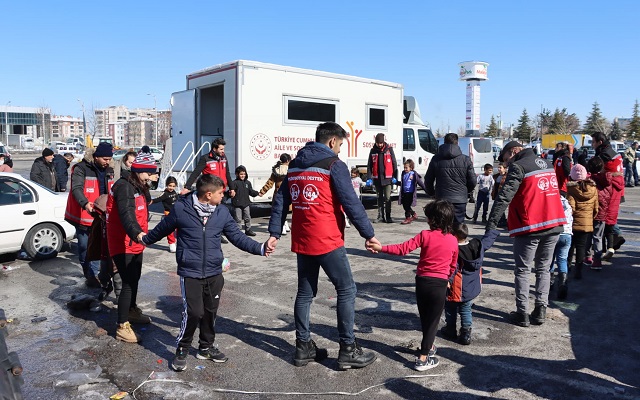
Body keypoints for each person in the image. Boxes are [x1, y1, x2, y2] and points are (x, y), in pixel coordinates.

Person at [267, 122, 379, 370]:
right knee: (347, 289)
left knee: (305, 293)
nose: (339, 149)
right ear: (331, 142)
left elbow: (281, 199)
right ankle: (348, 348)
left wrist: (275, 231)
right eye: (340, 144)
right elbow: (350, 201)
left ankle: (303, 347)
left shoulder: (295, 164)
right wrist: (368, 234)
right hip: (327, 239)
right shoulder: (333, 165)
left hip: (303, 239)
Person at [142, 174, 272, 371]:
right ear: (209, 194)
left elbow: (237, 237)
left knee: (210, 312)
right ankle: (182, 348)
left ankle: (206, 347)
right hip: (190, 272)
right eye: (221, 193)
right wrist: (142, 239)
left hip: (214, 272)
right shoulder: (181, 209)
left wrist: (261, 248)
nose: (224, 196)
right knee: (194, 312)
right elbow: (160, 230)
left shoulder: (221, 212)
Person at [367, 200, 458, 370]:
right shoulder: (453, 240)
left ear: (432, 220)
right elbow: (453, 265)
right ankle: (423, 359)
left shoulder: (425, 235)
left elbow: (402, 249)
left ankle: (429, 347)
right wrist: (449, 279)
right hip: (439, 284)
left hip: (422, 282)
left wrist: (381, 248)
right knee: (433, 322)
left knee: (425, 317)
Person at [486, 141, 566, 327]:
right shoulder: (546, 164)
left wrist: (492, 223)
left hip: (529, 226)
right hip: (554, 223)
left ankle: (522, 313)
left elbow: (505, 195)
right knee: (543, 269)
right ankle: (540, 310)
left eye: (506, 159)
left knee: (522, 269)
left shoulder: (519, 166)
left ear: (514, 151)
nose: (506, 164)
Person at [106, 149, 157, 343]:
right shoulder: (124, 187)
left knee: (134, 279)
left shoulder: (139, 185)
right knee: (127, 282)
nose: (152, 176)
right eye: (149, 172)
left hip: (136, 242)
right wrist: (137, 234)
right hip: (124, 242)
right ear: (139, 170)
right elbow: (126, 214)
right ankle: (122, 326)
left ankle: (132, 311)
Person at [65, 143, 115, 287]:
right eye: (105, 159)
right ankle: (88, 273)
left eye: (109, 159)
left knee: (99, 246)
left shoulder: (109, 170)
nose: (108, 162)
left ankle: (94, 276)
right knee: (84, 247)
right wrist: (85, 204)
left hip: (102, 216)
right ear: (96, 157)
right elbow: (76, 189)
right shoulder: (81, 169)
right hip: (84, 215)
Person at [441, 223, 499, 345]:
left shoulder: (455, 251)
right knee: (466, 309)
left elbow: (454, 268)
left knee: (450, 308)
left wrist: (448, 281)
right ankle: (466, 334)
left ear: (454, 236)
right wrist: (492, 231)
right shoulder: (476, 246)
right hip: (471, 287)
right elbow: (487, 242)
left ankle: (450, 329)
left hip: (456, 288)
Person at [182, 138, 234, 243]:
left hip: (221, 192)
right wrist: (187, 187)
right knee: (211, 215)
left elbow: (227, 173)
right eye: (221, 149)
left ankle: (219, 233)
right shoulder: (205, 158)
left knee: (220, 214)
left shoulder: (224, 158)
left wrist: (232, 187)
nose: (223, 151)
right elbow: (196, 173)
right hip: (210, 193)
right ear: (214, 149)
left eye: (223, 149)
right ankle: (214, 235)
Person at [425, 133, 476, 224]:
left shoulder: (436, 159)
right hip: (459, 200)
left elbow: (428, 180)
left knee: (442, 227)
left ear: (444, 143)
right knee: (458, 228)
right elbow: (472, 181)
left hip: (441, 199)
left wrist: (432, 193)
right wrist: (465, 191)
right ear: (457, 143)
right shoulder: (466, 159)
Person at [589, 132, 624, 266]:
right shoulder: (612, 151)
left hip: (610, 187)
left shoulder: (604, 154)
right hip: (617, 186)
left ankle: (615, 238)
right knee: (609, 217)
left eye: (593, 142)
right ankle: (611, 243)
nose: (592, 145)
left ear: (600, 142)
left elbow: (595, 168)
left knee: (604, 218)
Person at [566, 164, 598, 283]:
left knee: (570, 247)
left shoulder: (571, 190)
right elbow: (596, 208)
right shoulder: (593, 189)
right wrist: (589, 219)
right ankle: (578, 270)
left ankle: (567, 267)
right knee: (581, 248)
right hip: (587, 224)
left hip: (573, 224)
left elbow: (571, 208)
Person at [366, 133, 398, 223]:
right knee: (379, 197)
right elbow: (369, 165)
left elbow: (394, 163)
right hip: (377, 179)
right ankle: (380, 216)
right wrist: (369, 178)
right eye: (378, 143)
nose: (379, 145)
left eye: (381, 143)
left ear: (383, 142)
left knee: (387, 198)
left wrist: (395, 177)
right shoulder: (373, 151)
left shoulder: (389, 150)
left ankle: (388, 216)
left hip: (388, 179)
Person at [258, 153, 292, 235]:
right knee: (286, 210)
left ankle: (284, 225)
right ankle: (283, 226)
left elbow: (270, 182)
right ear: (288, 160)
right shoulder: (290, 169)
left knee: (279, 211)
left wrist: (262, 191)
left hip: (278, 193)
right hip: (289, 193)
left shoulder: (276, 170)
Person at [149, 176, 180, 252]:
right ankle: (172, 244)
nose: (171, 188)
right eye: (170, 186)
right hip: (168, 214)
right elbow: (158, 199)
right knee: (170, 230)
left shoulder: (175, 193)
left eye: (173, 186)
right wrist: (150, 201)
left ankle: (179, 243)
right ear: (166, 185)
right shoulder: (165, 194)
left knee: (179, 228)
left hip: (177, 213)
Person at [229, 165, 259, 236]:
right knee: (238, 219)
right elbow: (231, 192)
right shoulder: (234, 183)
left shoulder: (247, 183)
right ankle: (238, 231)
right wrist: (229, 194)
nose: (243, 176)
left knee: (247, 217)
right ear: (237, 174)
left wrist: (257, 193)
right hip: (237, 204)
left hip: (246, 204)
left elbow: (251, 191)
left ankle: (248, 230)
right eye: (241, 174)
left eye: (244, 174)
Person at [398, 159, 427, 225]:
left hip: (410, 193)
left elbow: (420, 182)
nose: (405, 169)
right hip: (404, 192)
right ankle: (413, 214)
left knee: (407, 205)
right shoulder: (403, 173)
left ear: (411, 168)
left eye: (406, 167)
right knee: (405, 205)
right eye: (404, 167)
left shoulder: (413, 174)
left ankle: (408, 218)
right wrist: (396, 182)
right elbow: (402, 183)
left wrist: (426, 189)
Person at [491, 162, 507, 227]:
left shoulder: (507, 176)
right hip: (496, 194)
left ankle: (503, 221)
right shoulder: (496, 176)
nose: (499, 169)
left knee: (501, 207)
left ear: (504, 169)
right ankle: (500, 220)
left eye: (500, 167)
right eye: (498, 167)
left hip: (503, 194)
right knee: (497, 207)